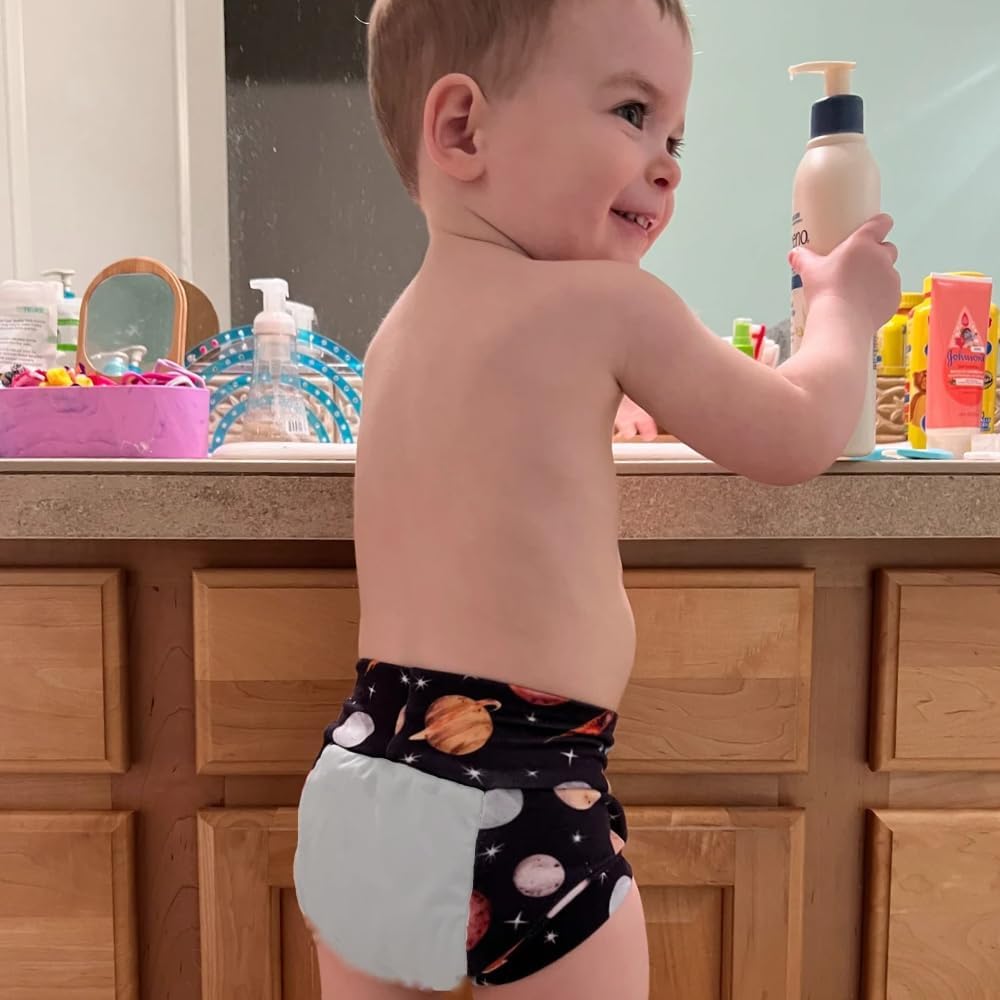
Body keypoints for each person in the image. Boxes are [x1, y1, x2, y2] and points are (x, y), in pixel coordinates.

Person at [293, 1, 901, 998]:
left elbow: (506, 435)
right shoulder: (615, 305)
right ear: (464, 129)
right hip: (523, 783)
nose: (667, 165)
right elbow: (796, 432)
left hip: (362, 778)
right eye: (630, 112)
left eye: (675, 137)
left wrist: (604, 409)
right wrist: (842, 314)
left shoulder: (394, 335)